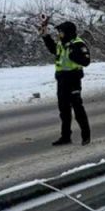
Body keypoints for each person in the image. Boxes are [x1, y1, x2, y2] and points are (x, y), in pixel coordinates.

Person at [39, 16, 92, 146]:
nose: (59, 34)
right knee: (64, 110)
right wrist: (45, 35)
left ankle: (86, 136)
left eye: (61, 32)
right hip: (61, 80)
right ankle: (65, 136)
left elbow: (86, 61)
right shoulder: (61, 44)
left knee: (77, 108)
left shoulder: (78, 44)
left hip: (73, 79)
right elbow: (53, 49)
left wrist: (74, 56)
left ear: (68, 32)